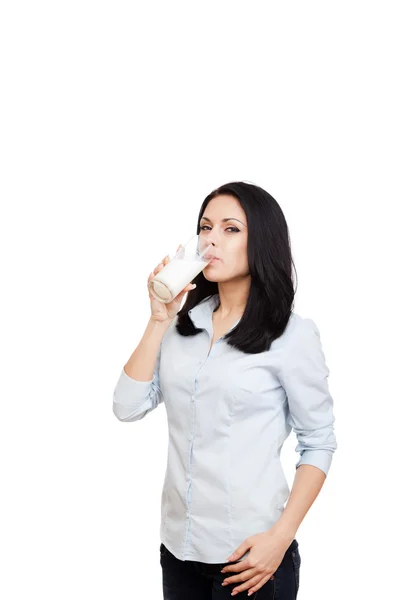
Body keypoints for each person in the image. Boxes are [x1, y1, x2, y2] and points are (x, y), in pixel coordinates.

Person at [112, 181, 338, 599]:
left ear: (261, 242)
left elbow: (319, 442)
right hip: (178, 550)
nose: (210, 239)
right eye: (205, 227)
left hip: (253, 556)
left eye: (230, 229)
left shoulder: (291, 336)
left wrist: (280, 538)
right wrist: (159, 319)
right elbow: (126, 407)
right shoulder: (181, 326)